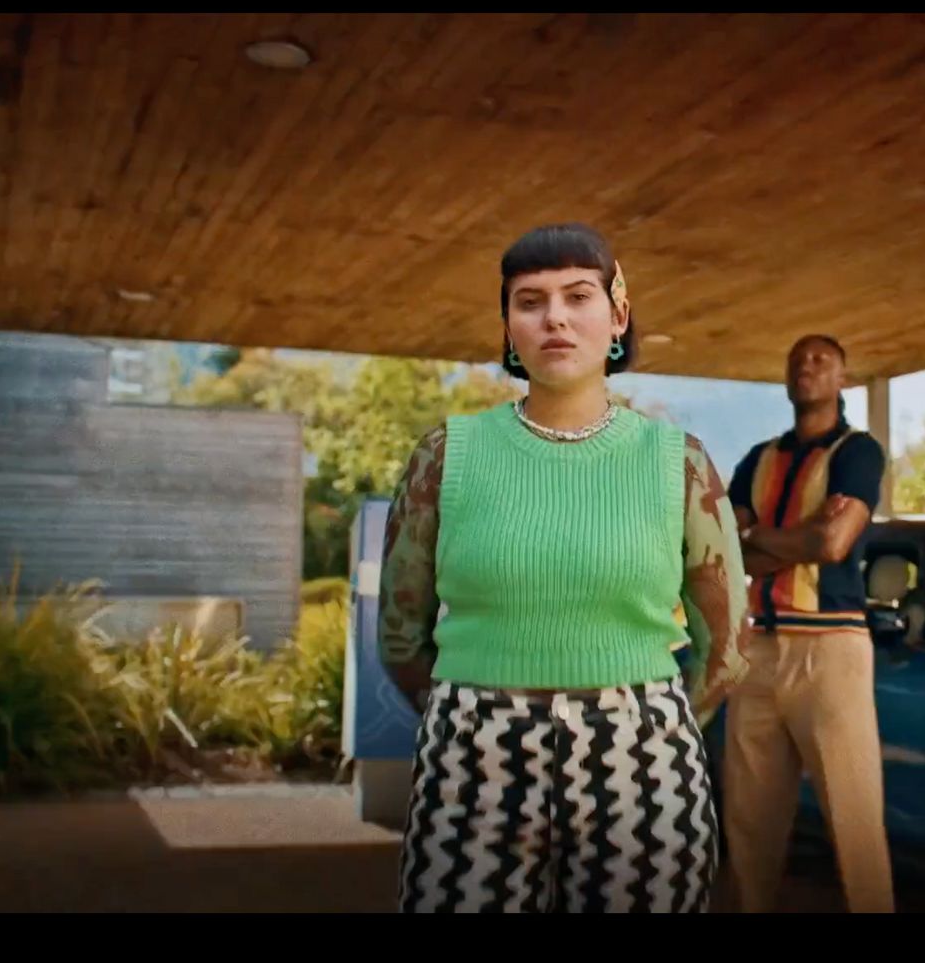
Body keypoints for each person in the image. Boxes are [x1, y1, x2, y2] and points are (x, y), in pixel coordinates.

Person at [377, 222, 749, 913]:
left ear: (618, 315)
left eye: (578, 296)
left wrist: (649, 723)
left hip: (645, 759)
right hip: (472, 757)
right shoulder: (444, 456)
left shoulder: (679, 462)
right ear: (508, 325)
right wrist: (467, 712)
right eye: (529, 300)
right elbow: (400, 634)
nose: (554, 317)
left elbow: (724, 647)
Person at [720, 333, 894, 913]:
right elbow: (727, 549)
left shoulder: (858, 451)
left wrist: (761, 538)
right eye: (796, 360)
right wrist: (800, 539)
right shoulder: (757, 458)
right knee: (747, 821)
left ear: (842, 377)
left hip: (832, 649)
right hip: (760, 648)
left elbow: (835, 541)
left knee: (854, 815)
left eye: (820, 360)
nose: (806, 367)